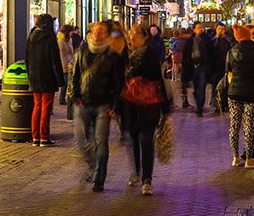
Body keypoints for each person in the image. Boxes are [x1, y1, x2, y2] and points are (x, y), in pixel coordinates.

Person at [69, 21, 125, 192]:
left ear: (107, 35)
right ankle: (94, 167)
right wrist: (75, 96)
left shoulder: (114, 57)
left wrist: (116, 107)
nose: (97, 34)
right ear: (90, 32)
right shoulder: (81, 52)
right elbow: (74, 76)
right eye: (95, 30)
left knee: (101, 142)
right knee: (80, 139)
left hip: (103, 104)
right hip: (82, 103)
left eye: (102, 31)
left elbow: (118, 84)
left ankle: (99, 179)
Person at [117, 25, 170, 196]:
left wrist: (165, 108)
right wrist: (116, 107)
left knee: (146, 139)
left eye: (135, 35)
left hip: (148, 104)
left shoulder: (150, 54)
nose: (131, 38)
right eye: (130, 35)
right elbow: (119, 83)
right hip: (130, 104)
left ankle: (147, 179)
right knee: (132, 139)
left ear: (144, 37)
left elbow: (158, 79)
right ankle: (137, 172)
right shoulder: (126, 54)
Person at [225, 24, 254, 169]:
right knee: (249, 126)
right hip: (252, 93)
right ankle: (249, 159)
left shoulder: (231, 52)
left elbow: (227, 72)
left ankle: (235, 157)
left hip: (234, 93)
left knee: (234, 125)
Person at [25, 14, 64, 147]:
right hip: (47, 76)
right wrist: (60, 80)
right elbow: (55, 60)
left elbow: (27, 58)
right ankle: (44, 137)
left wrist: (29, 74)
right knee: (46, 106)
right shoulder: (50, 37)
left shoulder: (31, 37)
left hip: (34, 76)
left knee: (37, 105)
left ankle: (35, 137)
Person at [182, 21, 212, 116]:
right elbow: (186, 55)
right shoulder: (190, 41)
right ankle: (199, 102)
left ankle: (199, 109)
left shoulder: (206, 39)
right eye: (198, 27)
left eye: (201, 27)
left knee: (202, 87)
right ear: (194, 30)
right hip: (193, 67)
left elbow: (211, 53)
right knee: (196, 88)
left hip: (202, 67)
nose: (201, 29)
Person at [210, 23, 232, 113]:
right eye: (219, 29)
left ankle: (223, 104)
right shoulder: (212, 41)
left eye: (222, 29)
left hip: (224, 68)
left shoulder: (227, 42)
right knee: (215, 87)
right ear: (216, 29)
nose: (220, 31)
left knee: (224, 87)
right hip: (215, 68)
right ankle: (217, 105)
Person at [57, 24, 75, 109]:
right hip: (64, 64)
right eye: (71, 31)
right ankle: (62, 98)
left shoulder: (69, 40)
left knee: (67, 81)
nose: (72, 33)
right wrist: (64, 65)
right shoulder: (60, 41)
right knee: (65, 81)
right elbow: (61, 55)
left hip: (70, 63)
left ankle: (63, 98)